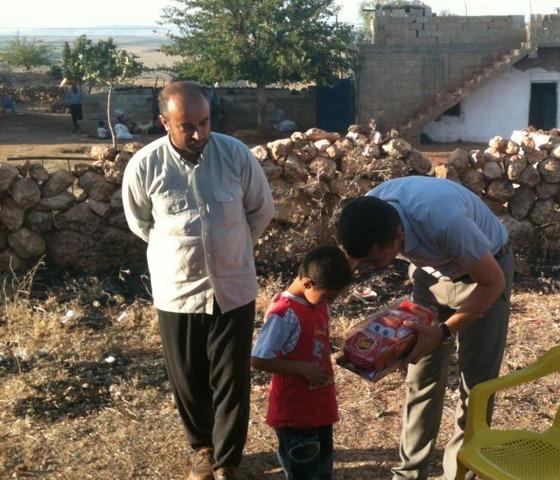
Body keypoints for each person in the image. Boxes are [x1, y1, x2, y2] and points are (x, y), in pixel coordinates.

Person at [121, 81, 275, 480]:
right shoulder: (145, 165)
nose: (198, 133)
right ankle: (202, 449)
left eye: (204, 123)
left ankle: (227, 461)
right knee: (188, 381)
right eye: (186, 126)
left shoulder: (236, 156)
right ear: (164, 122)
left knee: (232, 379)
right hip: (178, 292)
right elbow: (141, 223)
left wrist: (233, 247)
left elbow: (260, 211)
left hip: (233, 287)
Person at [336, 176, 513, 480]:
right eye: (364, 262)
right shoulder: (369, 214)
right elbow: (349, 260)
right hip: (431, 275)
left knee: (476, 383)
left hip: (483, 275)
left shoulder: (443, 221)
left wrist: (443, 331)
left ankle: (460, 473)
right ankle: (409, 473)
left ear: (399, 235)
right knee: (420, 373)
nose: (370, 268)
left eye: (375, 260)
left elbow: (492, 282)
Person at [250, 245, 353, 480]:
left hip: (319, 409)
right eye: (329, 296)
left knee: (322, 470)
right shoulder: (285, 314)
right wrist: (301, 369)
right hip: (295, 414)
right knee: (304, 472)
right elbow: (258, 359)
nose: (331, 302)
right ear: (307, 283)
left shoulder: (316, 304)